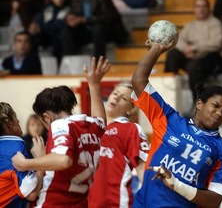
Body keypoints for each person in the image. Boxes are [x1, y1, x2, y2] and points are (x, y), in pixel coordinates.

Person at [131, 39, 222, 207]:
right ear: (199, 103)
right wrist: (156, 50)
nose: (219, 113)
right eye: (215, 106)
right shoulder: (168, 120)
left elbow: (215, 201)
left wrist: (177, 185)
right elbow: (138, 81)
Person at [11, 56, 111, 207]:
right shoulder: (91, 124)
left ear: (46, 117)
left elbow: (64, 160)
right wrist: (94, 85)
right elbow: (101, 120)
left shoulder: (60, 125)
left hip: (54, 203)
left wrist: (26, 163)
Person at [88, 83, 150, 207]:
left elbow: (142, 168)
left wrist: (156, 198)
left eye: (123, 98)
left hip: (114, 201)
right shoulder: (89, 126)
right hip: (86, 201)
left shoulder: (131, 129)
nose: (116, 97)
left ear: (130, 108)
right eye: (115, 93)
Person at [165, 0, 222, 105]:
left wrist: (194, 48)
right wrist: (185, 49)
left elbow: (215, 44)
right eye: (198, 6)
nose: (201, 9)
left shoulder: (216, 23)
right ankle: (167, 94)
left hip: (214, 59)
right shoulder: (190, 26)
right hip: (196, 59)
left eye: (204, 6)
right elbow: (178, 41)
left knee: (193, 66)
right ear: (194, 9)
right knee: (172, 54)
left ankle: (198, 102)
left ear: (209, 8)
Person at [61, 0, 129, 59]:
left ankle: (98, 63)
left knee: (98, 28)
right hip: (88, 32)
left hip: (108, 32)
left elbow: (109, 16)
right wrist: (70, 19)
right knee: (66, 31)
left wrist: (85, 20)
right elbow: (73, 14)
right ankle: (71, 63)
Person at [0, 102, 44, 208]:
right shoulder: (14, 148)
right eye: (15, 118)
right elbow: (31, 194)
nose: (18, 121)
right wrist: (40, 160)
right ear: (9, 123)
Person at [28, 0, 70, 66]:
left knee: (57, 38)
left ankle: (57, 66)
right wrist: (34, 26)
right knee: (32, 38)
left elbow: (60, 25)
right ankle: (32, 65)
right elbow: (38, 20)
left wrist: (41, 28)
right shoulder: (46, 8)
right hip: (46, 36)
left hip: (59, 36)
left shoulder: (68, 9)